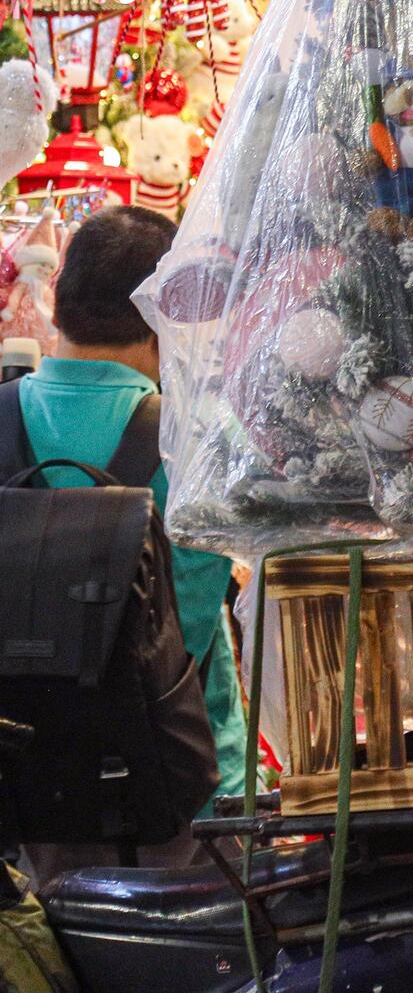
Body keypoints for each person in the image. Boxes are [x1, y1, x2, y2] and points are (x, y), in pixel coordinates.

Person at [13, 206, 249, 880]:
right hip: (179, 804)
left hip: (23, 802)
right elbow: (190, 638)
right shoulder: (190, 443)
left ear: (58, 305)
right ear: (165, 313)